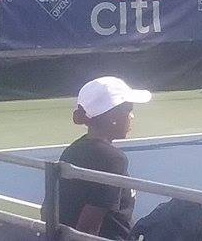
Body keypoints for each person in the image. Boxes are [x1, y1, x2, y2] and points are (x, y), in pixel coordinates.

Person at [44, 77, 152, 239]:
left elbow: (48, 210)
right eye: (128, 109)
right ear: (112, 117)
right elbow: (88, 229)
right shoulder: (113, 159)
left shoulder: (74, 149)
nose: (132, 116)